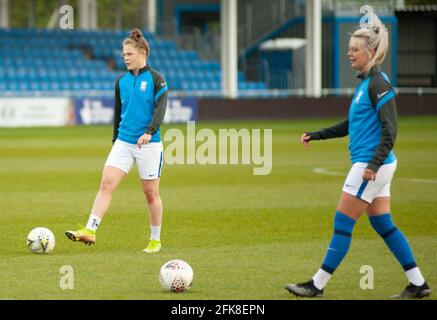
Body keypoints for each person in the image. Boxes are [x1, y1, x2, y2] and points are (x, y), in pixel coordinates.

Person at [285, 15, 431, 299]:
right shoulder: (366, 84)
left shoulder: (378, 83)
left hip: (370, 165)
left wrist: (373, 165)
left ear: (371, 53)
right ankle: (418, 283)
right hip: (375, 164)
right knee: (383, 224)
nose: (349, 53)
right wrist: (316, 135)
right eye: (349, 48)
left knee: (342, 223)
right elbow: (350, 125)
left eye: (355, 49)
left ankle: (316, 285)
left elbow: (392, 128)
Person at [66, 29, 168, 253]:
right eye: (123, 54)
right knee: (106, 185)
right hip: (123, 142)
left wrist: (149, 131)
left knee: (150, 193)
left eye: (129, 53)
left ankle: (155, 240)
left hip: (149, 144)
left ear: (142, 53)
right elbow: (118, 112)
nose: (125, 57)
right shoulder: (120, 81)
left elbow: (160, 110)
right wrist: (115, 139)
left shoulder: (157, 80)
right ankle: (90, 230)